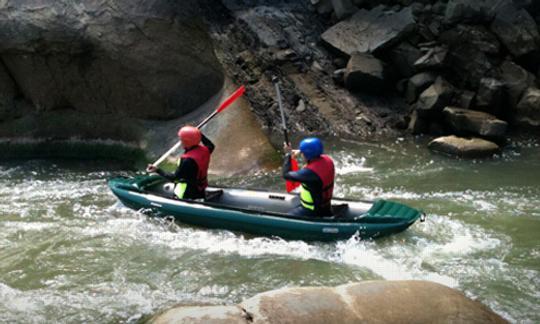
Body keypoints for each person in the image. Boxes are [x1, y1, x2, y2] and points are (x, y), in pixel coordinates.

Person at [146, 126, 214, 200]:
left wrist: (157, 170)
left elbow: (174, 178)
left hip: (185, 193)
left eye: (181, 139)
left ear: (186, 142)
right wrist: (198, 134)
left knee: (182, 187)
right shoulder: (205, 150)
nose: (180, 141)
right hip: (200, 189)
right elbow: (210, 144)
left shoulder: (187, 160)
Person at [283, 137, 335, 217]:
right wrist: (301, 151)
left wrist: (287, 155)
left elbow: (286, 175)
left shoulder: (310, 173)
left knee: (285, 219)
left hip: (312, 210)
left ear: (306, 155)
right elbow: (314, 152)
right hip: (326, 207)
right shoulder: (328, 160)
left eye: (302, 153)